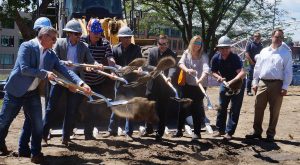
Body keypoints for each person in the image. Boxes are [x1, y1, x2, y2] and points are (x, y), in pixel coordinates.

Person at [0, 27, 91, 164]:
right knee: (4, 121)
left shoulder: (51, 54)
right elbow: (24, 69)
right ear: (43, 37)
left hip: (32, 93)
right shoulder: (27, 46)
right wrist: (45, 74)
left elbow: (64, 70)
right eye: (53, 39)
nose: (55, 42)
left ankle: (35, 153)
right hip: (15, 92)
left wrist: (81, 83)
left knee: (37, 123)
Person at [42, 19, 102, 146]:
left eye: (80, 34)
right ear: (69, 33)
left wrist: (97, 65)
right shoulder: (59, 43)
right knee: (51, 108)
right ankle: (43, 135)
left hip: (75, 81)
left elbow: (91, 61)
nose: (79, 36)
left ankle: (66, 137)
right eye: (76, 34)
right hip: (60, 79)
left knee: (72, 110)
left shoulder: (83, 46)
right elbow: (54, 60)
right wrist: (64, 62)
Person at [14, 17, 53, 158]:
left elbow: (54, 61)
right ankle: (25, 148)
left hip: (36, 89)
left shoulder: (47, 50)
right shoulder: (28, 47)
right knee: (30, 120)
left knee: (32, 120)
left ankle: (26, 149)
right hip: (22, 90)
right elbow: (25, 69)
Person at [245, 29, 293, 142]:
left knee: (274, 110)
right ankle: (257, 132)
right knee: (258, 108)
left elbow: (288, 71)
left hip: (277, 84)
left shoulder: (286, 53)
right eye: (277, 36)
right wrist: (254, 82)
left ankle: (270, 134)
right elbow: (257, 68)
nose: (279, 39)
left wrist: (285, 87)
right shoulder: (264, 51)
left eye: (281, 37)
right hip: (262, 83)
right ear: (272, 37)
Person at [80, 18, 114, 140]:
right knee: (76, 107)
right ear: (88, 31)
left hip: (97, 82)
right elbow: (78, 58)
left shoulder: (105, 43)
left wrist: (113, 70)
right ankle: (68, 133)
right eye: (95, 34)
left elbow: (110, 59)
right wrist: (86, 66)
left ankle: (88, 135)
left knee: (92, 108)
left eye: (99, 33)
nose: (97, 36)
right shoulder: (82, 41)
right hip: (82, 81)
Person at [107, 26, 142, 141]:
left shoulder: (136, 49)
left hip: (131, 82)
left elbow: (139, 63)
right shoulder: (115, 49)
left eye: (128, 37)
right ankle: (112, 131)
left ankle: (128, 132)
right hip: (120, 82)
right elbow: (112, 64)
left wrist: (138, 67)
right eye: (124, 38)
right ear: (120, 38)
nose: (126, 40)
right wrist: (114, 72)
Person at [174, 35, 209, 140]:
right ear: (191, 43)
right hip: (187, 85)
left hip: (199, 86)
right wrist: (187, 70)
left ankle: (197, 133)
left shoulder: (203, 55)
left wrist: (201, 78)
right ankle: (179, 130)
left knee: (196, 108)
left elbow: (206, 69)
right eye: (195, 43)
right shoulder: (186, 53)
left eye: (199, 43)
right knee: (183, 108)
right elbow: (180, 63)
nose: (197, 45)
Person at [211, 36, 246, 141]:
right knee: (221, 106)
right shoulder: (216, 58)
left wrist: (232, 82)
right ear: (218, 49)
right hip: (225, 83)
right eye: (222, 48)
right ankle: (219, 129)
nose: (224, 50)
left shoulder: (235, 58)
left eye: (226, 48)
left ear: (230, 48)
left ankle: (229, 132)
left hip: (237, 83)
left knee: (234, 108)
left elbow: (242, 72)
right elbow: (213, 71)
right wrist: (219, 77)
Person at [145, 34, 177, 141]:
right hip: (152, 85)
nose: (162, 46)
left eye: (164, 44)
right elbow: (147, 66)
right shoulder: (152, 51)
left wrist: (169, 77)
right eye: (160, 44)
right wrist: (156, 68)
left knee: (162, 110)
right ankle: (148, 129)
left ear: (168, 43)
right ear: (157, 43)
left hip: (164, 87)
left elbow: (173, 68)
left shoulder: (172, 54)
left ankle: (160, 132)